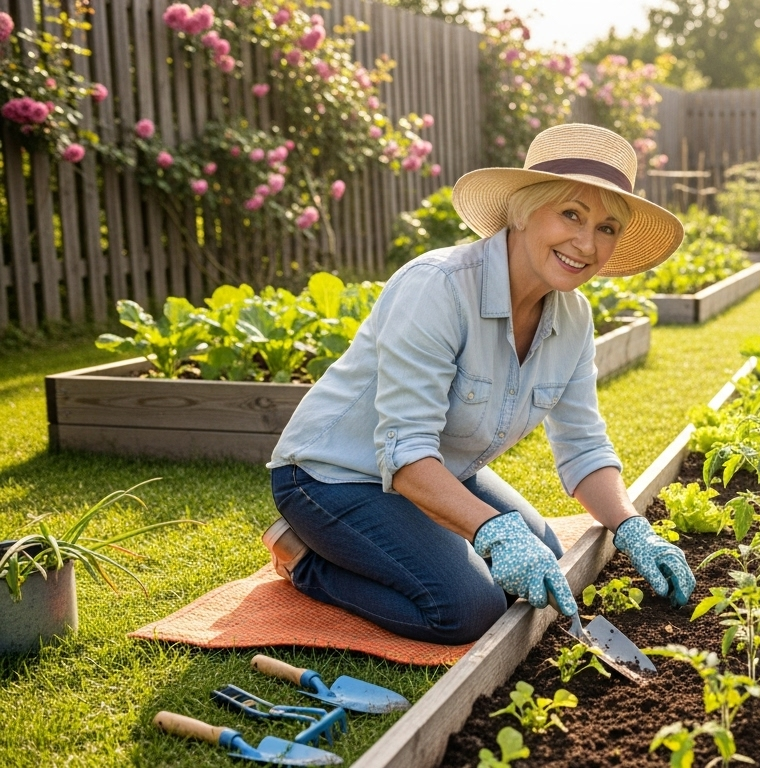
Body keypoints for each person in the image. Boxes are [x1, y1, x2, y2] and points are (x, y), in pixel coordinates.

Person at [262, 123, 696, 645]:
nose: (585, 243)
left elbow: (582, 444)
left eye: (607, 228)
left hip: (438, 468)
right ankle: (306, 561)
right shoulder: (438, 287)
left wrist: (632, 528)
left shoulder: (574, 317)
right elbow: (404, 453)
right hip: (332, 475)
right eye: (571, 214)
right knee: (470, 609)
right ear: (523, 210)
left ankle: (421, 537)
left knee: (549, 559)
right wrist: (493, 529)